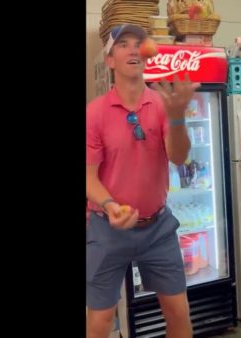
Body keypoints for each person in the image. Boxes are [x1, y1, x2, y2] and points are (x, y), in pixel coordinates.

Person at [86, 23, 199, 338]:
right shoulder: (94, 113)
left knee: (178, 311)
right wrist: (109, 205)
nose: (134, 49)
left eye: (139, 43)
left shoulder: (162, 104)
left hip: (157, 227)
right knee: (99, 322)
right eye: (124, 44)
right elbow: (88, 176)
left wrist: (177, 118)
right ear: (110, 60)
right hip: (106, 227)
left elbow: (178, 157)